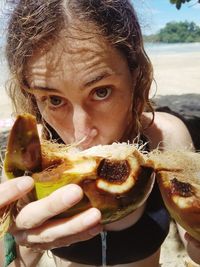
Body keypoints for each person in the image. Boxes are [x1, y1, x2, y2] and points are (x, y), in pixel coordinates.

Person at [1, 0, 200, 266]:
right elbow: (15, 260)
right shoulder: (30, 158)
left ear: (136, 76)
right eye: (54, 99)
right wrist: (18, 241)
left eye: (101, 91)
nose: (82, 133)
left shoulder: (166, 139)